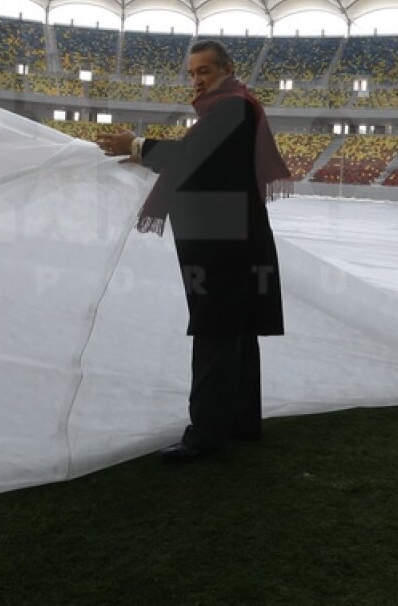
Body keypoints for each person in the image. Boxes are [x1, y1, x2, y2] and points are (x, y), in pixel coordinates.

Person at [97, 39, 292, 461]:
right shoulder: (234, 106)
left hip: (226, 242)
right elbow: (201, 160)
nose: (197, 80)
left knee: (215, 331)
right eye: (192, 72)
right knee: (235, 331)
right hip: (234, 233)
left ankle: (205, 435)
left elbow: (191, 155)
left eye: (204, 71)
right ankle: (241, 421)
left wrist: (136, 145)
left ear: (227, 69)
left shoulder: (234, 106)